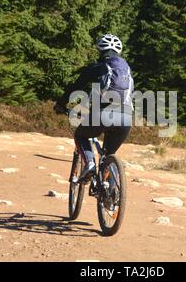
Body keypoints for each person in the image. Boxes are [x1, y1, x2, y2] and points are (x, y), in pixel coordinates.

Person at [54, 34, 134, 181]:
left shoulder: (98, 67)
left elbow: (75, 87)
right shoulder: (126, 70)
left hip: (103, 114)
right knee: (108, 156)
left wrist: (60, 104)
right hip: (126, 118)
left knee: (81, 135)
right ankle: (112, 192)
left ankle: (90, 163)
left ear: (100, 51)